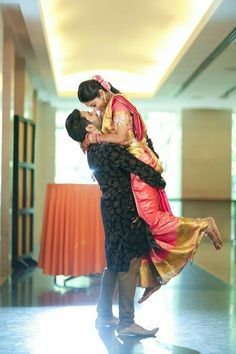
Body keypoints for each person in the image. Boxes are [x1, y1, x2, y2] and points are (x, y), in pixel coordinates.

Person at [77, 75, 223, 303]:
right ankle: (153, 278)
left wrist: (94, 138)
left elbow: (122, 137)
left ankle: (202, 224)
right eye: (90, 110)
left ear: (102, 94)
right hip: (139, 166)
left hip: (140, 166)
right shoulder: (114, 105)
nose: (95, 111)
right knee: (145, 228)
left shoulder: (118, 105)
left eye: (93, 105)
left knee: (151, 218)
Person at [65, 109, 166, 337]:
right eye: (89, 114)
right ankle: (127, 322)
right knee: (129, 264)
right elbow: (137, 166)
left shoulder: (93, 150)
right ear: (90, 128)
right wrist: (160, 179)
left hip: (111, 208)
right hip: (125, 209)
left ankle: (104, 315)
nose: (94, 112)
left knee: (114, 263)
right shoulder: (105, 148)